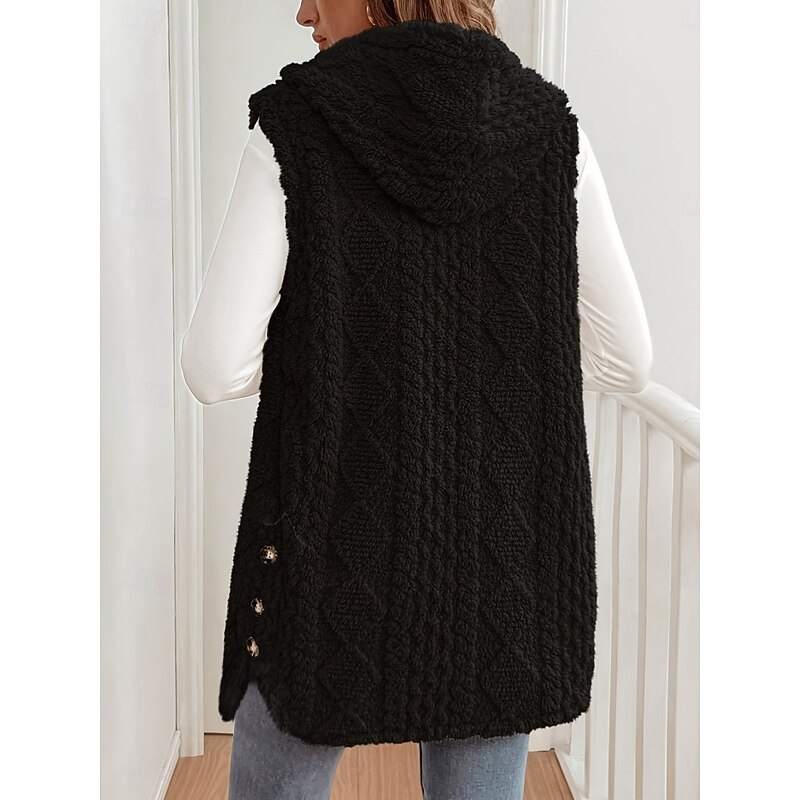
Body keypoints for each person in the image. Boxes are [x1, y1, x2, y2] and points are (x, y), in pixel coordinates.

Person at [181, 2, 652, 799]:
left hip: (328, 561)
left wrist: (343, 358)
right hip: (498, 564)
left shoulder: (298, 122)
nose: (303, 12)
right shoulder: (546, 129)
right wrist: (482, 366)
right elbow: (627, 359)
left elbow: (214, 367)